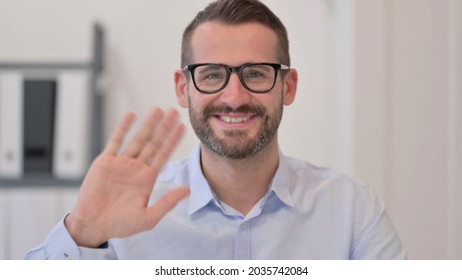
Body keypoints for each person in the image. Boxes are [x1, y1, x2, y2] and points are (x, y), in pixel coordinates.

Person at [25, 0, 405, 259]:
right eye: (212, 75)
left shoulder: (352, 212)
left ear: (287, 87)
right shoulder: (124, 218)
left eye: (255, 73)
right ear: (182, 87)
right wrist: (81, 233)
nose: (234, 96)